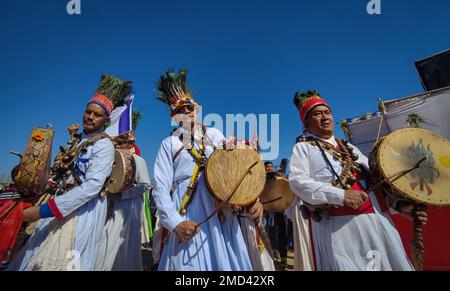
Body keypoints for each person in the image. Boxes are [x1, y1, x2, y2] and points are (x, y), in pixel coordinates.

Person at [288, 90, 428, 271]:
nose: (325, 117)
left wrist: (399, 206)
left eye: (327, 113)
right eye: (317, 114)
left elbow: (376, 183)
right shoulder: (303, 148)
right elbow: (298, 182)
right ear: (306, 123)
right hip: (339, 230)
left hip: (377, 223)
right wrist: (340, 194)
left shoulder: (350, 148)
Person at [9, 75, 131, 271]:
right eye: (88, 111)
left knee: (64, 262)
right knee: (35, 256)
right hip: (60, 202)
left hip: (81, 211)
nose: (90, 117)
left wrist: (43, 211)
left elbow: (92, 186)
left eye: (96, 115)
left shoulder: (104, 145)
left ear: (106, 121)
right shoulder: (79, 140)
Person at [152, 69, 262, 270]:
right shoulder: (169, 144)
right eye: (180, 110)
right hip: (188, 214)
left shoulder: (214, 134)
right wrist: (176, 223)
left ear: (196, 111)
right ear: (173, 117)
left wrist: (253, 199)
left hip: (221, 212)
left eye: (189, 107)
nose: (186, 112)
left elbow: (235, 167)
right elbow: (160, 188)